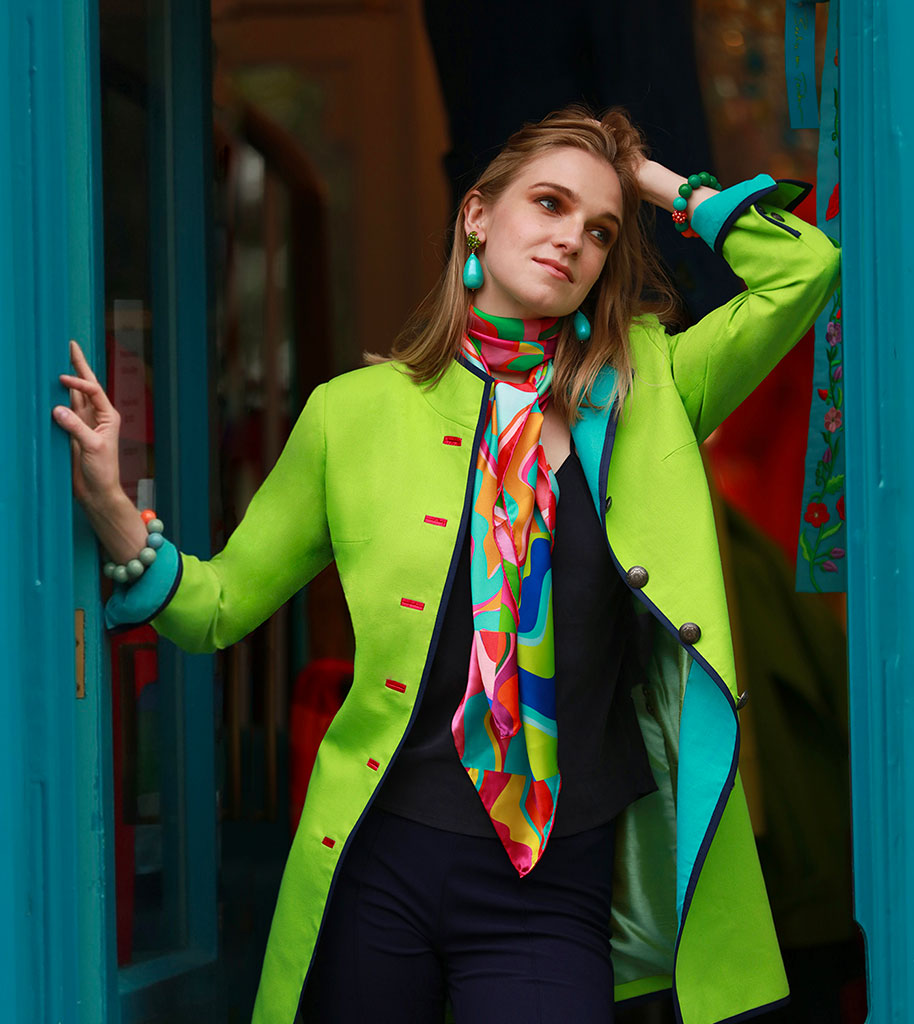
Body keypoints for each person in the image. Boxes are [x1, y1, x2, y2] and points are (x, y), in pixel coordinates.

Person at [53, 107, 840, 1024]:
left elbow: (804, 270)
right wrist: (111, 507)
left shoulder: (654, 389)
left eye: (600, 230)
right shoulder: (351, 414)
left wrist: (649, 179)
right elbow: (217, 607)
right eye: (549, 204)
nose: (572, 239)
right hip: (381, 861)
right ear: (477, 214)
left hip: (552, 881)